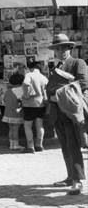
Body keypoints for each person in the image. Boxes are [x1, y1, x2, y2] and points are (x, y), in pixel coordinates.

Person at [46, 34, 88, 196]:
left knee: (73, 145)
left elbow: (83, 84)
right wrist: (52, 95)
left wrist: (59, 94)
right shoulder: (53, 67)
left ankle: (77, 181)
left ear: (70, 48)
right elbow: (49, 87)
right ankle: (70, 176)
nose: (61, 51)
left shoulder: (78, 63)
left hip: (72, 112)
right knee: (65, 146)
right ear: (54, 51)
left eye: (64, 48)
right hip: (57, 112)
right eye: (57, 48)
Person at [21, 61, 48, 152]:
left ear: (31, 68)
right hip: (41, 104)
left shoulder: (29, 75)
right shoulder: (44, 77)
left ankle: (30, 146)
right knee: (40, 125)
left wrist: (26, 94)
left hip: (29, 104)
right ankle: (39, 145)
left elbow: (26, 83)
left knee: (28, 125)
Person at [2, 73, 25, 151]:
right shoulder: (21, 90)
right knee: (15, 129)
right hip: (17, 113)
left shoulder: (8, 90)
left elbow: (4, 100)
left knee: (10, 129)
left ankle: (11, 144)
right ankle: (16, 144)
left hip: (7, 113)